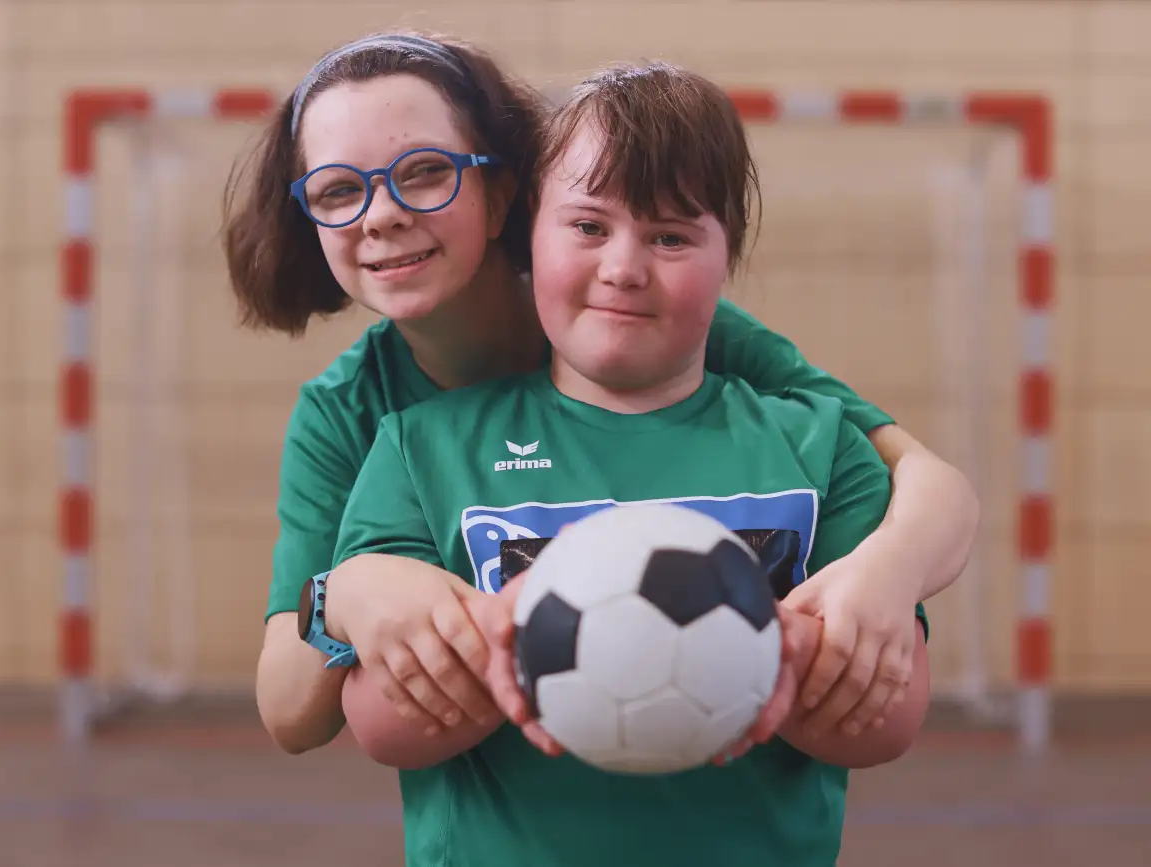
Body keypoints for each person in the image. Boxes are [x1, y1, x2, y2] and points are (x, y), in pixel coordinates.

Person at [219, 31, 974, 757]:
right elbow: (292, 716)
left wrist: (889, 569)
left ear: (503, 190)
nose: (381, 212)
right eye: (339, 189)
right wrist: (346, 593)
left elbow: (927, 479)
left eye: (424, 170)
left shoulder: (642, 324)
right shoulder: (355, 412)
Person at [327, 60, 930, 867]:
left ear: (728, 258)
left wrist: (759, 656)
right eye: (587, 227)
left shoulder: (821, 449)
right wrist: (510, 642)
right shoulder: (419, 447)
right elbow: (382, 728)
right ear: (529, 239)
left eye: (671, 236)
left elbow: (889, 723)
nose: (623, 267)